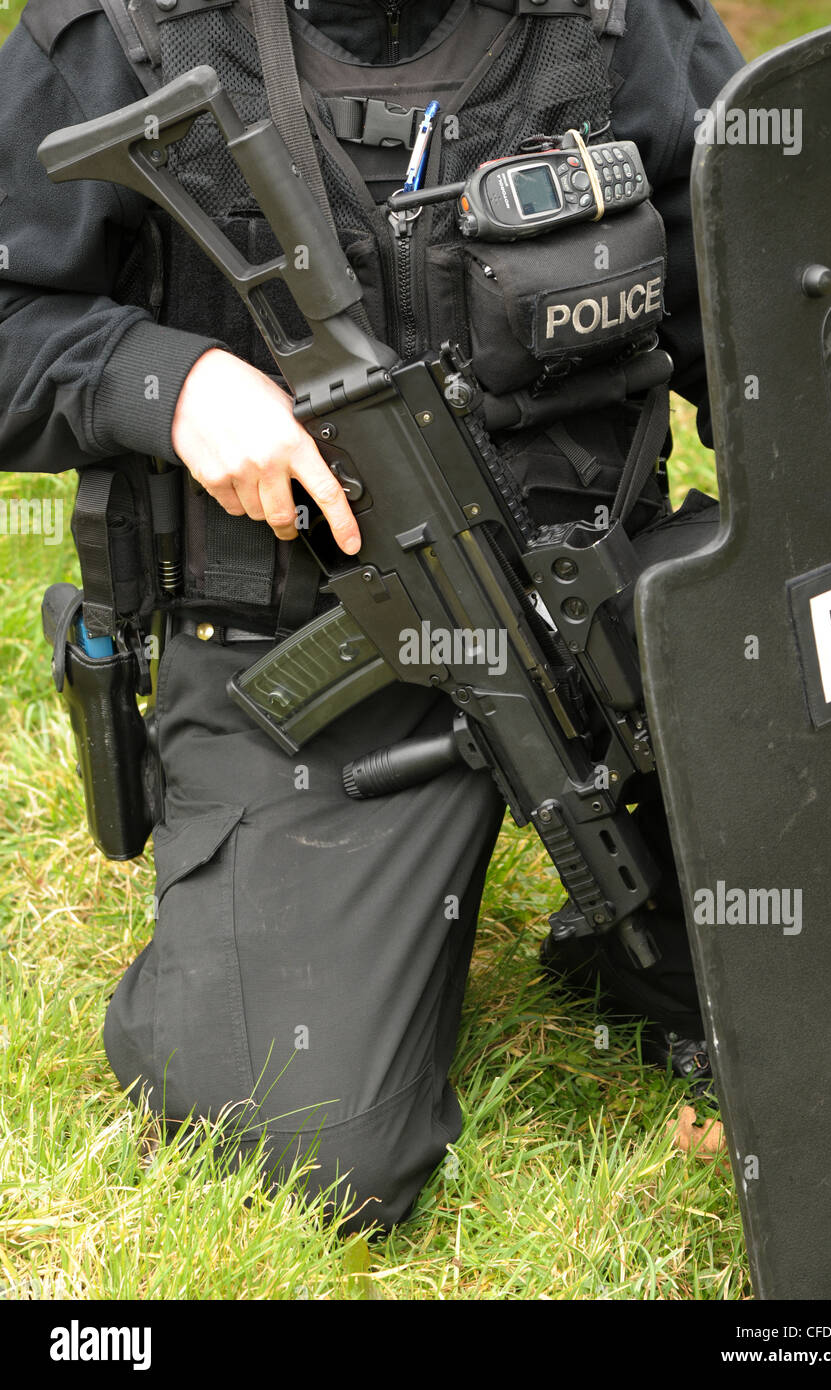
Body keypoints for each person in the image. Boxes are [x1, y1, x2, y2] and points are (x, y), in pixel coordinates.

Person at [0, 0, 744, 1231]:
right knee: (313, 1139)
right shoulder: (121, 32)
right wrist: (168, 384)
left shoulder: (617, 23)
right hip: (300, 642)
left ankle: (639, 936)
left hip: (607, 606)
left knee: (801, 950)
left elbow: (748, 286)